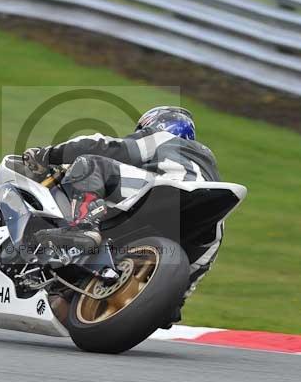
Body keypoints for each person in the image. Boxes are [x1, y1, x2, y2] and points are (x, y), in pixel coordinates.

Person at [23, 106, 222, 322]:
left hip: (165, 190)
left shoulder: (160, 138)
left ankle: (83, 227)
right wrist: (175, 299)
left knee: (90, 163)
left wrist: (47, 154)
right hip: (198, 213)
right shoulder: (208, 168)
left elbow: (103, 146)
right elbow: (205, 255)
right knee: (214, 232)